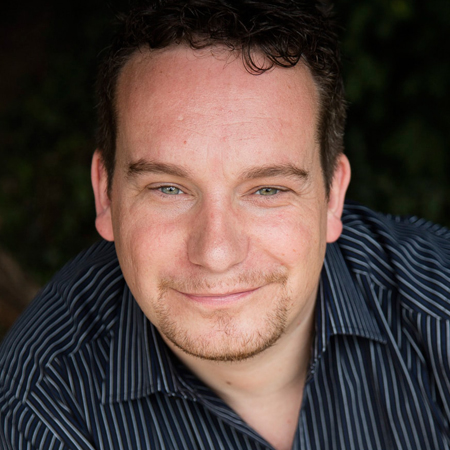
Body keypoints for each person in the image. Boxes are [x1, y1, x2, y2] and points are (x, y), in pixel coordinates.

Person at [1, 1, 450, 449]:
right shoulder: (40, 405)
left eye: (267, 190)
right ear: (105, 194)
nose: (216, 253)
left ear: (333, 196)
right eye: (168, 189)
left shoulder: (439, 312)